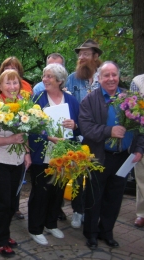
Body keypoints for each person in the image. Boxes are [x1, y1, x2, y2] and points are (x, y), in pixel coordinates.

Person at [78, 61, 144, 249]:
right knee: (94, 197)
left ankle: (106, 232)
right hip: (99, 156)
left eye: (114, 74)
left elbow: (140, 127)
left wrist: (139, 149)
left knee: (114, 198)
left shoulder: (130, 98)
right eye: (106, 75)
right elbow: (86, 127)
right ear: (99, 79)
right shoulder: (90, 100)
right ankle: (90, 234)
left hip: (124, 157)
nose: (111, 78)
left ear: (119, 76)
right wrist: (109, 131)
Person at [28, 64, 81, 246]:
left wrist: (74, 126)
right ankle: (35, 228)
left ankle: (51, 224)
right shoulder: (38, 98)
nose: (45, 79)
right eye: (44, 75)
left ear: (60, 80)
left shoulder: (71, 100)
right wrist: (48, 137)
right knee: (41, 192)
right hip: (43, 154)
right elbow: (30, 128)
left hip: (63, 154)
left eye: (49, 76)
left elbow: (80, 125)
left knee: (57, 191)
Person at [0, 69, 32, 257]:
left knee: (12, 204)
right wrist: (11, 139)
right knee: (2, 204)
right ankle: (0, 241)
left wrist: (26, 153)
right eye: (8, 83)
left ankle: (5, 234)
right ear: (0, 86)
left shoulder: (22, 105)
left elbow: (25, 131)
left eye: (15, 83)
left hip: (17, 161)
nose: (12, 87)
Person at [65, 39, 103, 229]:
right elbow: (70, 106)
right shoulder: (72, 79)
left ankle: (92, 212)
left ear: (96, 57)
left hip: (99, 136)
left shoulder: (104, 78)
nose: (81, 57)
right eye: (80, 54)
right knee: (77, 175)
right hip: (78, 135)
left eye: (86, 54)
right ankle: (78, 211)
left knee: (96, 176)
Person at [0, 56, 33, 220]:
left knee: (16, 179)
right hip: (1, 147)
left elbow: (27, 122)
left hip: (19, 142)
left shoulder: (26, 90)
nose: (10, 71)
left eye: (14, 68)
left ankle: (15, 207)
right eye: (6, 68)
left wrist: (26, 150)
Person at [130, 74, 144, 228]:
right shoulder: (137, 82)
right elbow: (132, 110)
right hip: (142, 134)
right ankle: (142, 213)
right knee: (141, 177)